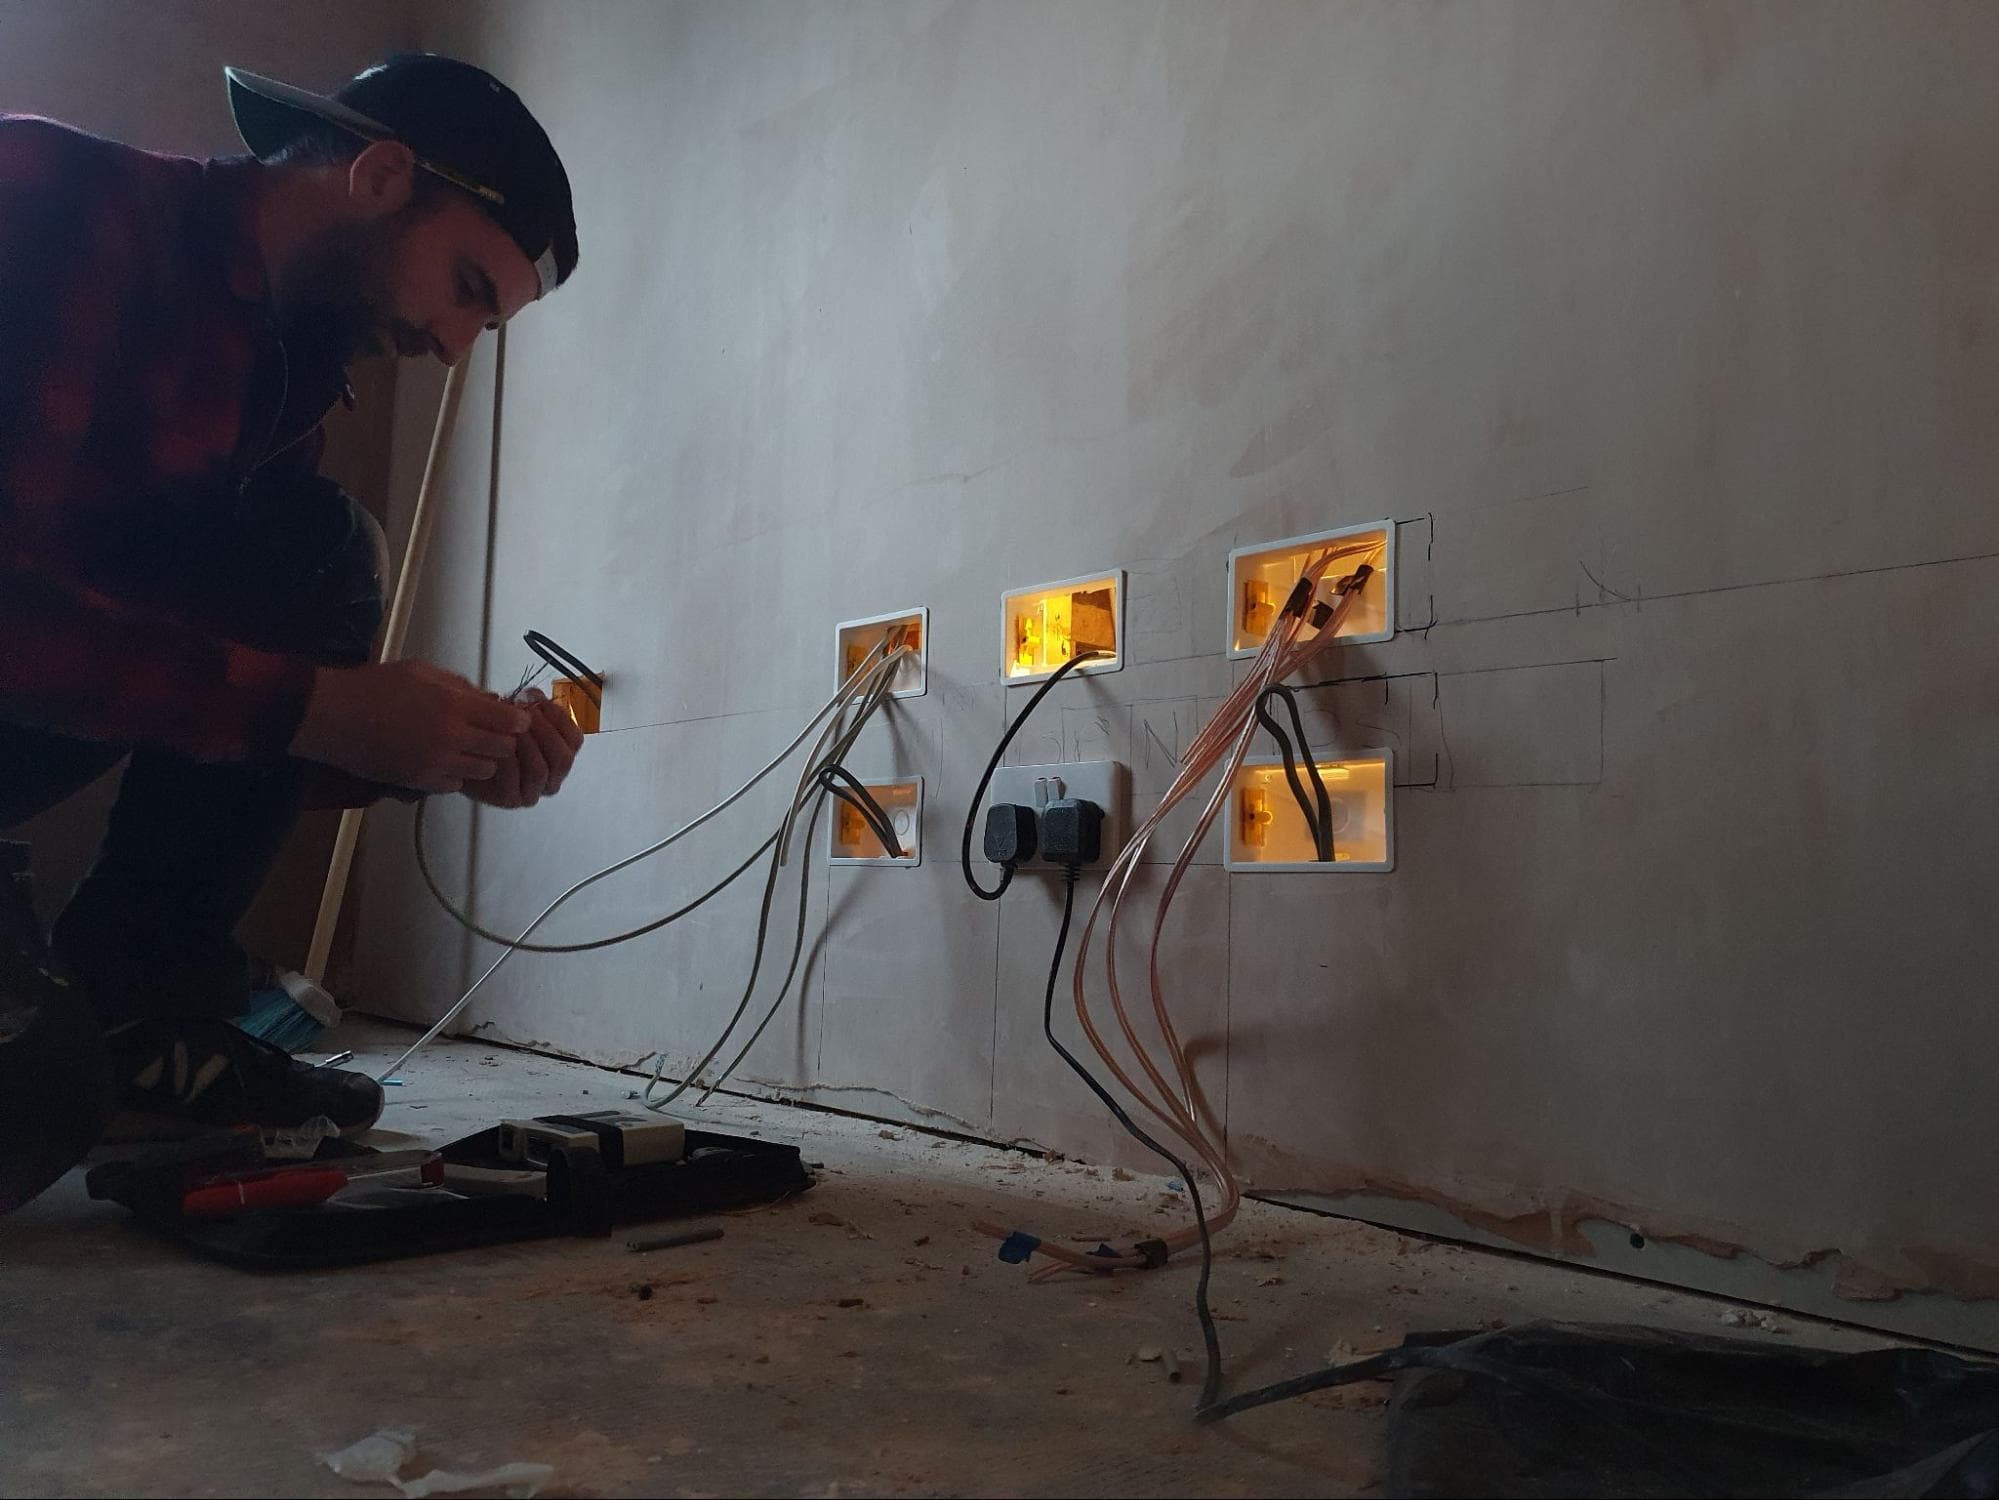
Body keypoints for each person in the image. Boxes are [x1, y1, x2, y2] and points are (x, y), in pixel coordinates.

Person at [0, 54, 584, 1213]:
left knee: (317, 552)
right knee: (29, 1100)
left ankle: (138, 1003)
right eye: (468, 285)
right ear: (377, 174)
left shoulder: (277, 388)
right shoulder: (50, 198)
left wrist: (432, 749)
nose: (454, 345)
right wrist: (325, 708)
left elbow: (194, 719)